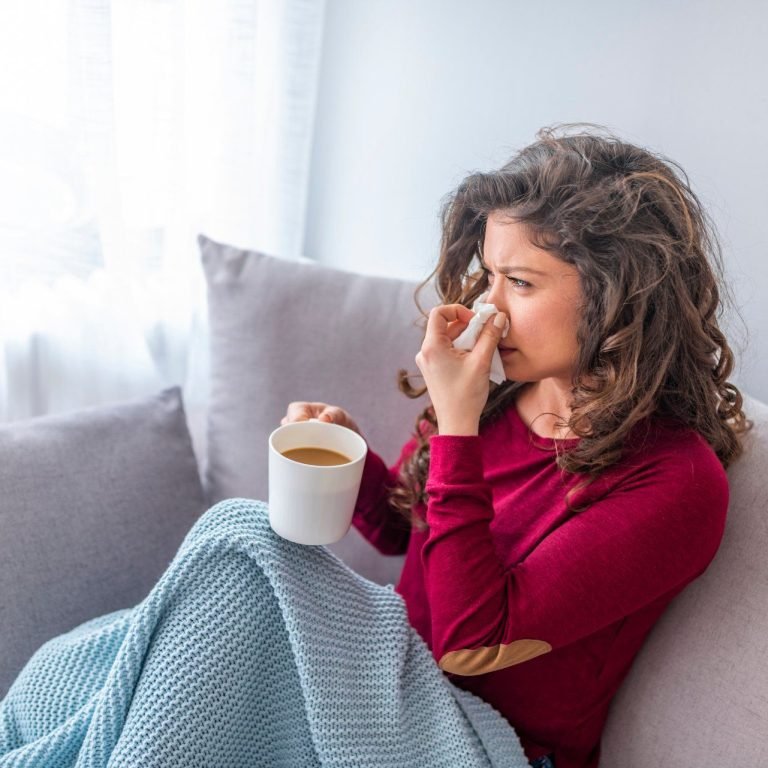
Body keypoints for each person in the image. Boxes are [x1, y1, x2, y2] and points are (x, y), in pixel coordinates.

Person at [280, 124, 751, 768]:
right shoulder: (501, 390)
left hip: (483, 745)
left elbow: (469, 640)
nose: (488, 311)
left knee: (236, 542)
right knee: (238, 551)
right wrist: (349, 459)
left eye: (521, 283)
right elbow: (413, 540)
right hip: (388, 690)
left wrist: (455, 425)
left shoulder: (676, 481)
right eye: (489, 275)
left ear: (617, 297)